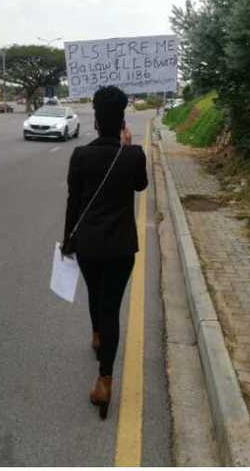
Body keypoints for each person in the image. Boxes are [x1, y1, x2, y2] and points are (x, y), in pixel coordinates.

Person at [61, 85, 148, 420]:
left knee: (95, 295)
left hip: (89, 245)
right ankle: (105, 379)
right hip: (122, 247)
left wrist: (68, 239)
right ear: (122, 120)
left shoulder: (80, 156)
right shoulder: (133, 154)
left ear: (96, 120)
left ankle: (98, 337)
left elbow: (73, 203)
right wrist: (127, 148)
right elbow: (140, 186)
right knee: (111, 305)